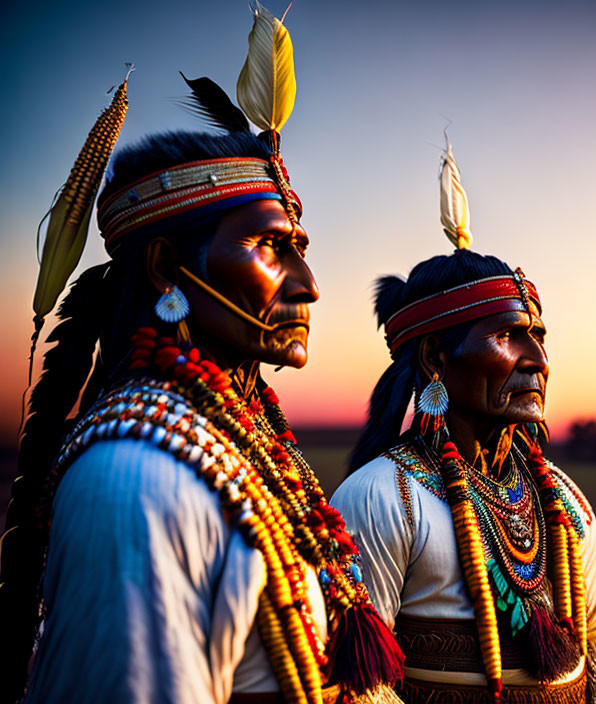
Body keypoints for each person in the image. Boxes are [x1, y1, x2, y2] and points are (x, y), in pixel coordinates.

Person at [0, 6, 402, 704]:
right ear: (165, 268)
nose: (309, 285)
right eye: (273, 247)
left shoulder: (236, 442)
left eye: (301, 250)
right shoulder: (135, 482)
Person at [331, 138, 596, 703]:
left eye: (538, 336)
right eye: (509, 337)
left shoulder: (564, 502)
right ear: (437, 358)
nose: (536, 360)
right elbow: (355, 687)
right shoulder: (381, 498)